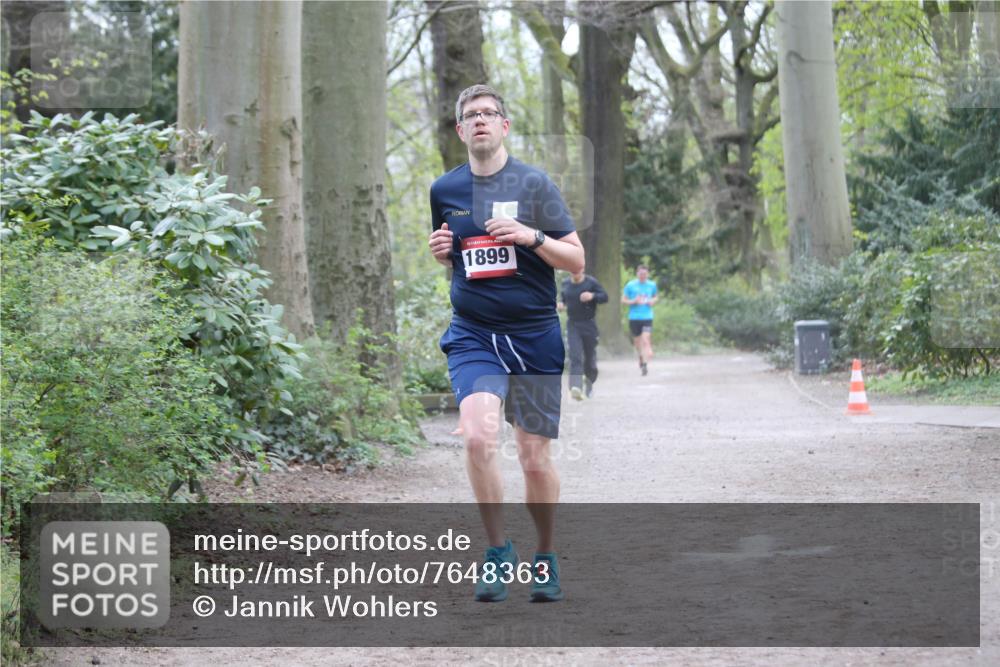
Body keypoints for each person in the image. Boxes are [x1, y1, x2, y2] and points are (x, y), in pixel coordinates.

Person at [427, 84, 584, 603]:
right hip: (475, 334)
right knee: (476, 437)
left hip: (535, 335)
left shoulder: (535, 184)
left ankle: (545, 556)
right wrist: (442, 251)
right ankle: (497, 551)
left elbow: (576, 261)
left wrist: (529, 237)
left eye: (489, 113)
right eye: (470, 115)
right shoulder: (443, 191)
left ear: (505, 125)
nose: (480, 121)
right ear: (459, 129)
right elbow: (458, 258)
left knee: (534, 459)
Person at [559, 270, 608, 400]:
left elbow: (604, 297)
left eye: (578, 270)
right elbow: (563, 300)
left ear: (582, 269)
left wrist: (592, 296)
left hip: (589, 324)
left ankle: (589, 384)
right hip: (573, 324)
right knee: (575, 356)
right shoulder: (565, 283)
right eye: (573, 270)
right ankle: (576, 387)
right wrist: (561, 305)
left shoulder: (591, 282)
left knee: (590, 358)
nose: (575, 273)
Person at [622, 264, 658, 376]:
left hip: (647, 316)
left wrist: (652, 301)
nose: (643, 276)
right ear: (637, 274)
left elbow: (655, 296)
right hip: (634, 317)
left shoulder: (652, 285)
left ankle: (645, 365)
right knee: (637, 343)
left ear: (647, 274)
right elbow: (623, 300)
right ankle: (641, 357)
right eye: (641, 274)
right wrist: (633, 301)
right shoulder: (630, 285)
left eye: (645, 274)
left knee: (645, 339)